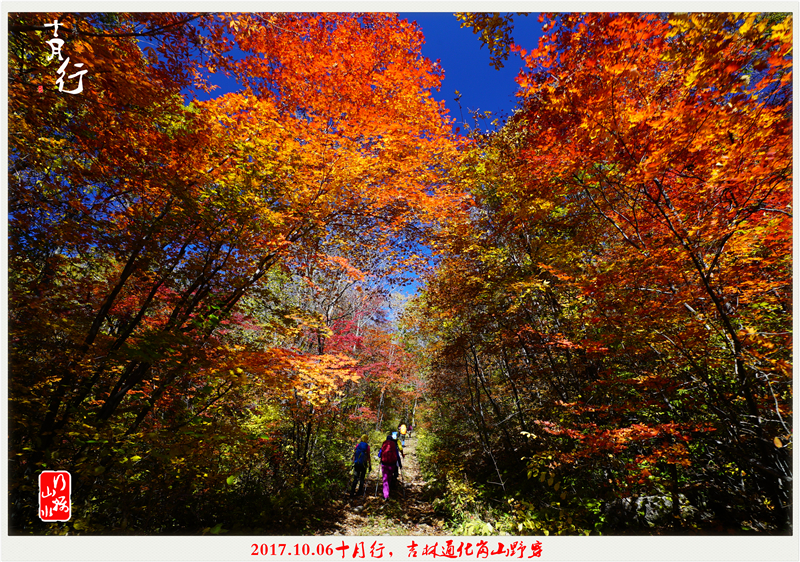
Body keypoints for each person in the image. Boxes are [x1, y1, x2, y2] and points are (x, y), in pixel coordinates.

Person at [378, 432, 401, 500]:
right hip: (392, 464)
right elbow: (397, 455)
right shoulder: (393, 445)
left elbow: (379, 454)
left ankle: (385, 495)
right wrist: (400, 464)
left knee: (385, 479)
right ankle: (388, 491)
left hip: (384, 464)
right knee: (389, 478)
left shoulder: (384, 444)